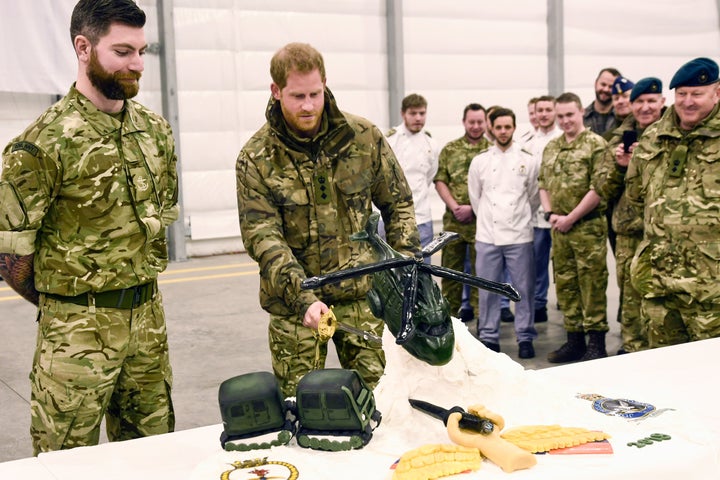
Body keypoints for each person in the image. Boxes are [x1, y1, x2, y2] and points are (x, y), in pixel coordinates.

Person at [0, 0, 178, 454]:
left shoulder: (155, 132)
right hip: (74, 338)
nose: (137, 64)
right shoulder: (41, 144)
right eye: (122, 51)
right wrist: (71, 306)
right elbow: (9, 254)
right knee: (66, 464)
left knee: (152, 457)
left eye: (142, 50)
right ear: (83, 47)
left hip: (148, 328)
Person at [236, 42, 421, 397]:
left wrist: (405, 269)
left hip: (363, 299)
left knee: (387, 403)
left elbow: (398, 203)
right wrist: (303, 297)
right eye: (297, 96)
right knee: (303, 408)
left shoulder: (363, 138)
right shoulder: (256, 158)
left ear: (325, 84)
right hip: (296, 310)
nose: (308, 105)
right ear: (276, 91)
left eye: (315, 93)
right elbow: (263, 236)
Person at [626, 57, 720, 348]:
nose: (688, 101)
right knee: (664, 371)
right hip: (659, 284)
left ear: (717, 93)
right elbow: (635, 194)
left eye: (697, 94)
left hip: (711, 289)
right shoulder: (654, 137)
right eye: (682, 94)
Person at [596, 77, 665, 354]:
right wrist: (623, 166)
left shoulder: (673, 134)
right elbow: (603, 187)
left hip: (663, 233)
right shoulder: (616, 138)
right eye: (639, 102)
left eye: (651, 101)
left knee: (663, 298)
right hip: (628, 232)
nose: (645, 107)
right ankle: (633, 349)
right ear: (631, 105)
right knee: (630, 298)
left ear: (662, 102)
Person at [540, 92, 609, 363]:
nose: (565, 120)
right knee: (566, 285)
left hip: (587, 228)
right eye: (561, 116)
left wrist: (571, 217)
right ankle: (574, 341)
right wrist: (551, 214)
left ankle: (596, 344)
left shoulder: (596, 145)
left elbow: (599, 188)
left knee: (591, 285)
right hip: (559, 228)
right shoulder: (552, 146)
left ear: (581, 112)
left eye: (570, 114)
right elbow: (542, 183)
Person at [468, 107, 539, 359]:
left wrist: (520, 219)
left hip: (519, 235)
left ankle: (525, 336)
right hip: (487, 235)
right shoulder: (480, 161)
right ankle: (488, 335)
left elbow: (534, 198)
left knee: (523, 288)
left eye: (507, 127)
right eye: (498, 127)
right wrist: (485, 219)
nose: (503, 131)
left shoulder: (528, 160)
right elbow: (475, 197)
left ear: (514, 127)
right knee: (488, 289)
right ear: (491, 128)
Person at [434, 103, 490, 322]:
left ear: (486, 122)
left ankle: (483, 326)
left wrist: (473, 209)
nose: (476, 126)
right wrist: (455, 206)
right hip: (454, 223)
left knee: (481, 276)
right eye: (471, 122)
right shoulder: (450, 149)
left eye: (480, 122)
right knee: (450, 275)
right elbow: (440, 180)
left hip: (482, 225)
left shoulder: (491, 150)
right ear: (464, 122)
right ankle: (450, 323)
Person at [523, 95, 562, 324]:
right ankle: (539, 303)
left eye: (549, 109)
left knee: (562, 262)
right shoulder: (527, 143)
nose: (545, 114)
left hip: (559, 213)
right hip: (535, 216)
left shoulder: (562, 139)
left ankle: (566, 302)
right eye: (541, 110)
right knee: (537, 263)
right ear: (535, 113)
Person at [386, 93, 439, 255]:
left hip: (421, 217)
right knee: (391, 271)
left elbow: (429, 176)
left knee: (422, 269)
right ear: (403, 114)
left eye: (422, 113)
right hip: (392, 217)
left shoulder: (431, 144)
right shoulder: (390, 140)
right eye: (413, 113)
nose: (418, 118)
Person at [603, 76, 635, 256]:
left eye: (626, 96)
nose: (621, 101)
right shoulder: (609, 137)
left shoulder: (651, 129)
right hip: (616, 212)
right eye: (616, 98)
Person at [583, 67, 622, 137]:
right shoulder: (582, 116)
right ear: (595, 84)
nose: (606, 89)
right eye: (603, 84)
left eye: (611, 87)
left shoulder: (622, 118)